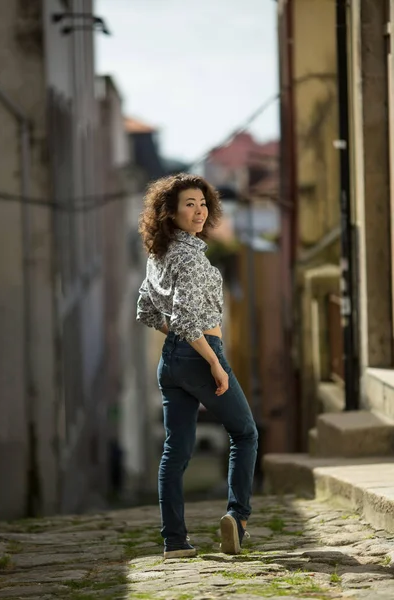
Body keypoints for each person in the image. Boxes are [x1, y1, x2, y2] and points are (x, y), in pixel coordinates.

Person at [136, 173, 258, 559]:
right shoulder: (188, 258)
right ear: (170, 213)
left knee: (176, 450)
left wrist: (179, 341)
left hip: (171, 361)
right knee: (245, 433)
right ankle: (237, 518)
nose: (199, 210)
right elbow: (188, 320)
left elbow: (145, 310)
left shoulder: (160, 253)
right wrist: (213, 363)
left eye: (203, 203)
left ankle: (174, 541)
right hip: (201, 354)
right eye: (189, 204)